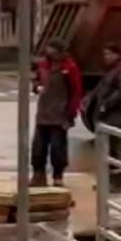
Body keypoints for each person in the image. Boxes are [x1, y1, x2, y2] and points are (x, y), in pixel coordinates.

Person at [31, 38, 83, 187]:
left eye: (52, 49)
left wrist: (70, 115)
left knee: (57, 148)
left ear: (60, 51)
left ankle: (58, 176)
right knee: (38, 148)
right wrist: (36, 86)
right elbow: (36, 80)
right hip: (43, 114)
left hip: (60, 115)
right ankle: (38, 174)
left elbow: (75, 92)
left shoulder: (69, 67)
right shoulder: (43, 65)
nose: (49, 52)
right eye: (48, 48)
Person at [92, 42, 121, 191]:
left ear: (117, 54)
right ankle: (106, 181)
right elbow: (102, 88)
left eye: (108, 54)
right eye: (104, 54)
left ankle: (116, 183)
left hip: (117, 117)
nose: (106, 57)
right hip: (107, 116)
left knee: (115, 151)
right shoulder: (112, 70)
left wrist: (106, 104)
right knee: (106, 152)